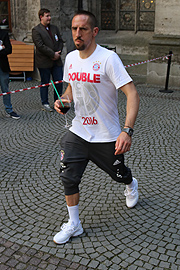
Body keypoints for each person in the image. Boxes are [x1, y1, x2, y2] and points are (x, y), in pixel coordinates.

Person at [54, 10, 140, 244]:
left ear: (94, 32)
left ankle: (131, 184)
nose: (77, 34)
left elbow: (132, 93)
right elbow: (70, 89)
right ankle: (75, 224)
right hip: (79, 131)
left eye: (82, 29)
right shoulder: (70, 58)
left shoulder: (108, 59)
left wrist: (127, 130)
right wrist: (64, 101)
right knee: (68, 177)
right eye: (74, 29)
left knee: (119, 174)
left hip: (106, 135)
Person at [32, 8, 63, 112]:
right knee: (45, 83)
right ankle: (45, 103)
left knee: (58, 82)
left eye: (50, 16)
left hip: (56, 61)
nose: (50, 18)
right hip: (44, 62)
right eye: (47, 16)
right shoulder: (36, 30)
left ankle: (57, 102)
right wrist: (52, 54)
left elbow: (60, 41)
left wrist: (58, 52)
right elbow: (40, 46)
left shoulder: (54, 28)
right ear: (41, 17)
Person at [0, 29, 20, 119]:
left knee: (5, 89)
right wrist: (1, 48)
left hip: (2, 67)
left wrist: (2, 49)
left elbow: (9, 49)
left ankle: (9, 110)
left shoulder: (3, 33)